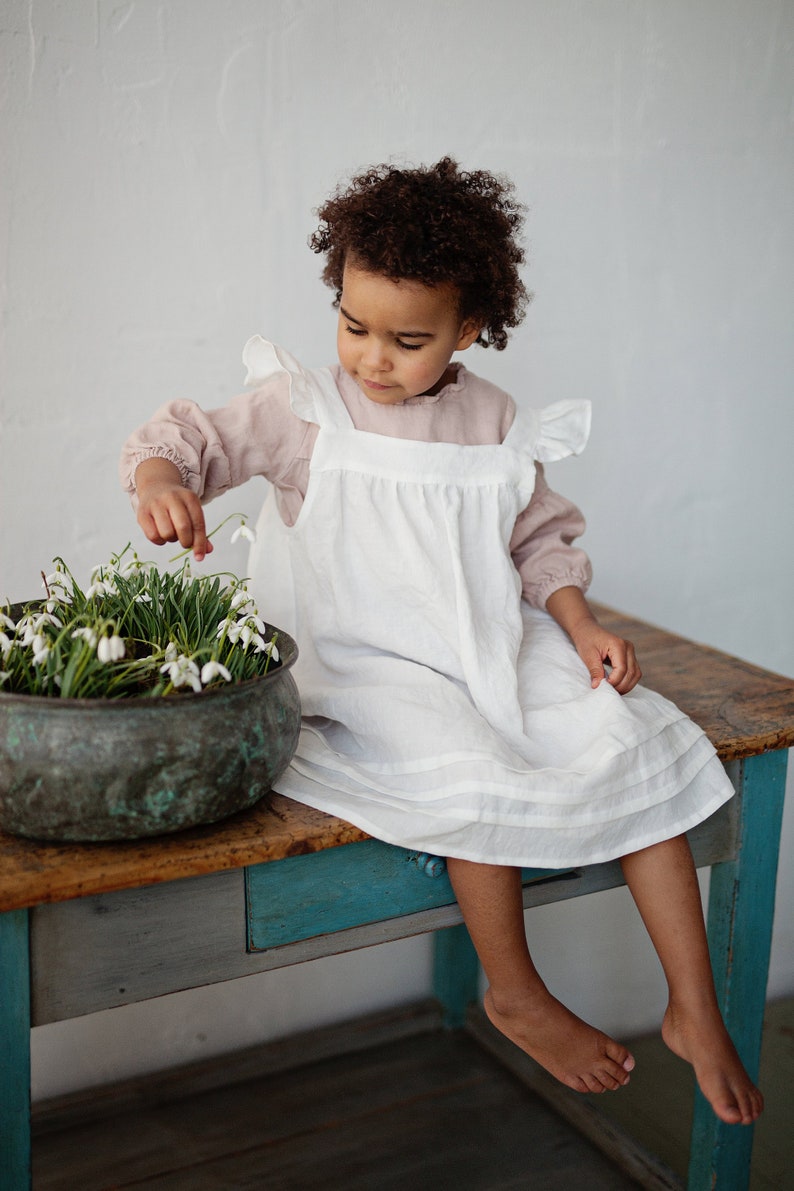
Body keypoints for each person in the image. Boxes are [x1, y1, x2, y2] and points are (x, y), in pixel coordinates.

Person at [120, 157, 762, 1124]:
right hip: (364, 665)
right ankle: (517, 991)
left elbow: (539, 542)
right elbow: (187, 439)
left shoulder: (493, 419)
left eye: (408, 339)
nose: (372, 358)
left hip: (486, 642)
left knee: (634, 738)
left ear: (469, 330)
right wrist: (160, 483)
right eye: (353, 324)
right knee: (470, 771)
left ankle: (692, 1005)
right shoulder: (306, 413)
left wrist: (583, 629)